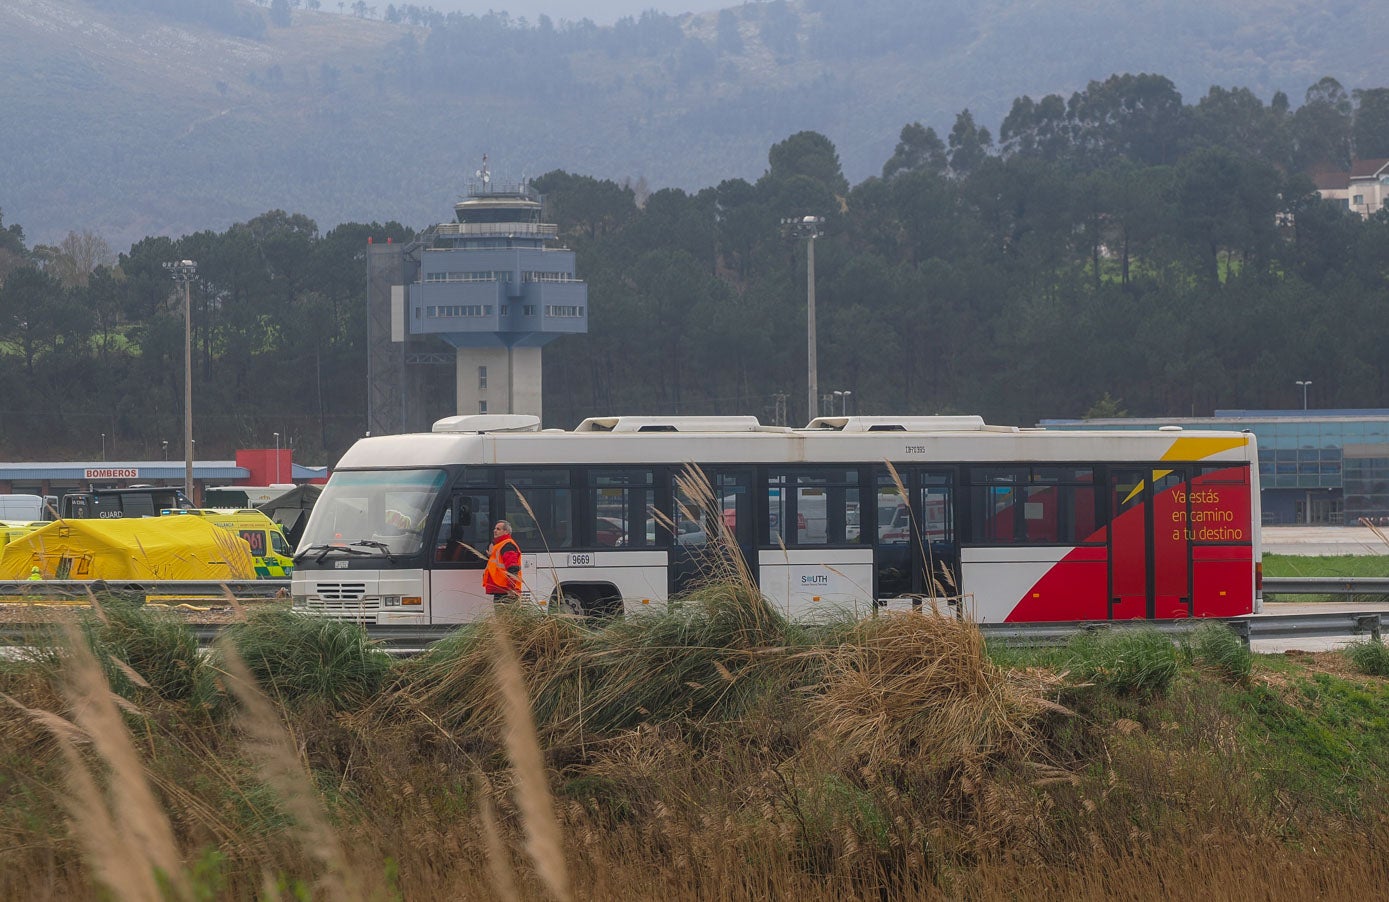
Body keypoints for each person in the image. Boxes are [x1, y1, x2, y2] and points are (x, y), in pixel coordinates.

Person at [482, 519, 523, 603]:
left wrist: (511, 589)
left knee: (505, 615)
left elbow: (513, 568)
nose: (495, 531)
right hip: (501, 589)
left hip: (506, 591)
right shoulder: (500, 544)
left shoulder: (507, 545)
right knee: (503, 615)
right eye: (495, 529)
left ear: (506, 532)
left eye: (498, 529)